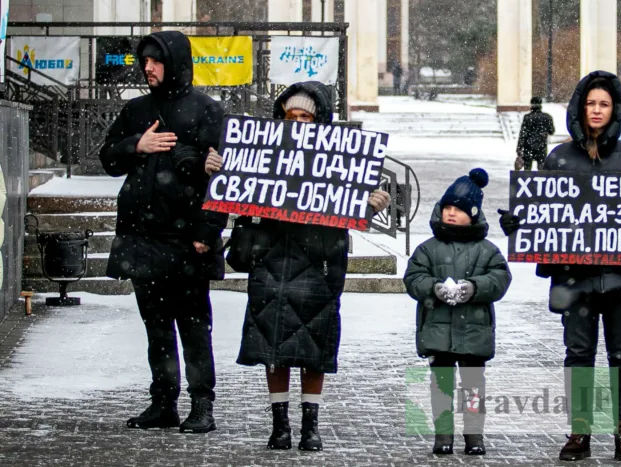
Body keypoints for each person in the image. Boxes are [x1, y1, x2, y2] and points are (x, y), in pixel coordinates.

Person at [206, 81, 391, 451]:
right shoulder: (262, 155)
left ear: (319, 119)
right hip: (271, 263)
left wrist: (371, 204)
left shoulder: (338, 162)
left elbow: (348, 209)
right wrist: (218, 173)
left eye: (306, 116)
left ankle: (310, 425)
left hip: (318, 265)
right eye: (291, 116)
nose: (298, 123)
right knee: (273, 348)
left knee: (313, 350)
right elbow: (237, 193)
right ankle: (280, 426)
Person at [501, 70, 621, 463]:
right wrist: (518, 222)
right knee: (578, 352)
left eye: (604, 104)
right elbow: (540, 208)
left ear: (614, 110)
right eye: (591, 103)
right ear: (581, 108)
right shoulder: (559, 158)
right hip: (576, 276)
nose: (596, 110)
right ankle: (580, 429)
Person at [100, 31, 228, 434]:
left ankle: (201, 404)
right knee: (155, 327)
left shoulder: (207, 110)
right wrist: (136, 145)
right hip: (143, 238)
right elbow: (108, 157)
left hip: (188, 239)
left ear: (174, 62)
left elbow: (222, 181)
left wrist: (207, 232)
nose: (148, 68)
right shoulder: (137, 110)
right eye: (145, 61)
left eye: (155, 61)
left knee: (193, 326)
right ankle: (163, 401)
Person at [403, 168, 512, 457]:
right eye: (447, 208)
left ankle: (474, 434)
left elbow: (500, 279)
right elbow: (413, 278)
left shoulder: (487, 250)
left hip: (474, 332)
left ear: (473, 215)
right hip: (438, 331)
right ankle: (443, 435)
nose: (451, 214)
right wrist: (435, 289)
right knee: (442, 387)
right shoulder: (428, 248)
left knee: (474, 387)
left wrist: (474, 288)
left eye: (459, 210)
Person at [516, 96, 555, 170]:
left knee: (527, 169)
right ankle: (540, 180)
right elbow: (551, 131)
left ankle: (527, 180)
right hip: (541, 146)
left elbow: (523, 133)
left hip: (528, 146)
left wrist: (519, 147)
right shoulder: (547, 117)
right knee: (541, 168)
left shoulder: (527, 117)